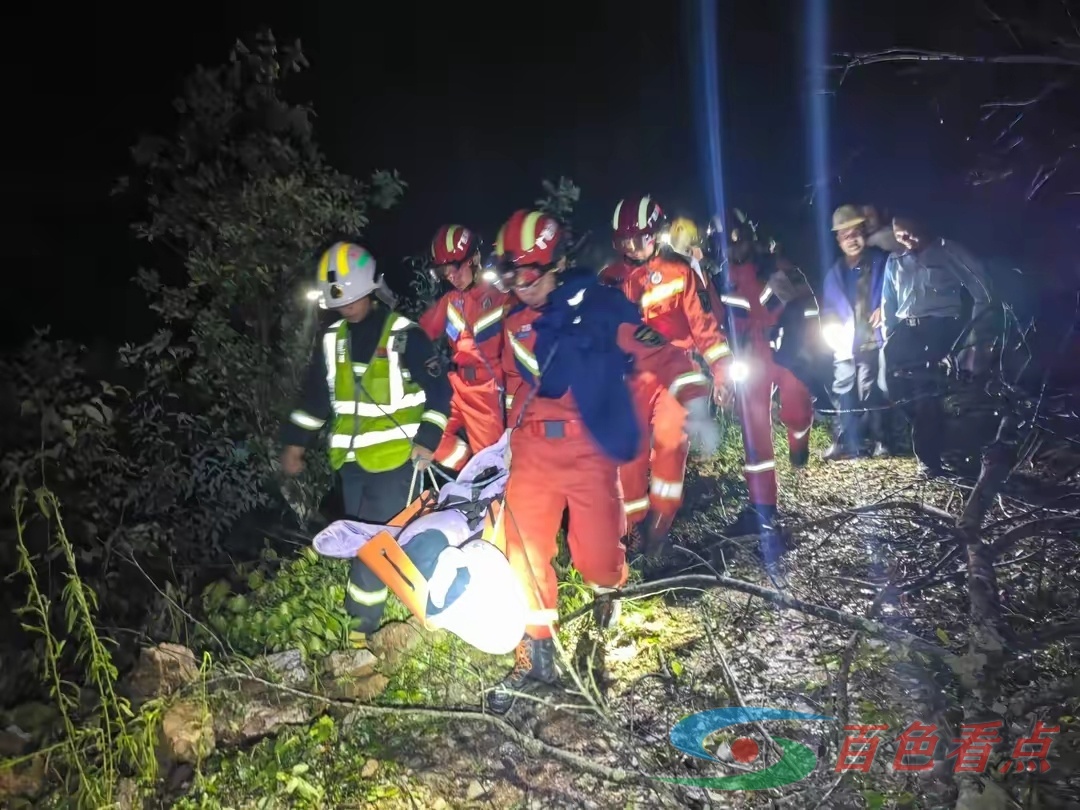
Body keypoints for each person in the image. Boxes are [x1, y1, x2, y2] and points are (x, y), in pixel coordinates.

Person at [487, 209, 719, 714]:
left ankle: (603, 609)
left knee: (596, 554)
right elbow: (502, 390)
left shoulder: (598, 307)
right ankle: (539, 656)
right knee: (525, 557)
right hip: (530, 454)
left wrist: (696, 400)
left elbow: (661, 353)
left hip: (588, 450)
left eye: (529, 274)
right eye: (511, 275)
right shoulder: (512, 323)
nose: (521, 286)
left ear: (556, 264)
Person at [280, 241, 452, 648]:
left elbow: (439, 393)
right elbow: (316, 399)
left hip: (397, 461)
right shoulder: (332, 340)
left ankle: (361, 628)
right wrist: (294, 443)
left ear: (371, 289)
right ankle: (420, 599)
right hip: (351, 464)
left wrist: (428, 440)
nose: (347, 306)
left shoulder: (404, 336)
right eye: (339, 299)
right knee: (375, 545)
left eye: (354, 296)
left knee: (371, 547)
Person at [600, 195, 732, 552]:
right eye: (623, 240)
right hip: (629, 379)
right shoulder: (609, 279)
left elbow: (706, 328)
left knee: (671, 445)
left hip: (675, 372)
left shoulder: (680, 272)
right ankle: (629, 534)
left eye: (637, 237)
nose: (630, 246)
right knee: (629, 457)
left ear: (655, 233)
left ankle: (659, 529)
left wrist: (721, 371)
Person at [710, 208, 815, 543]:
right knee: (754, 433)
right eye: (724, 241)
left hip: (785, 353)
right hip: (750, 359)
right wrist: (723, 375)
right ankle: (763, 508)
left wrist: (807, 344)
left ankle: (799, 440)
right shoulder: (719, 281)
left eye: (736, 238)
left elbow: (809, 306)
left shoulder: (777, 266)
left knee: (796, 409)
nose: (731, 247)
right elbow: (715, 328)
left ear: (749, 235)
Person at [882, 216, 995, 475]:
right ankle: (934, 442)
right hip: (904, 332)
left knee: (928, 392)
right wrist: (888, 337)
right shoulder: (895, 261)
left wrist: (975, 335)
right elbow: (888, 301)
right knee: (896, 391)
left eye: (910, 234)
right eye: (900, 236)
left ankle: (930, 458)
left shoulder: (948, 252)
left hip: (939, 329)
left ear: (923, 225)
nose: (906, 240)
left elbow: (982, 291)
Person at [418, 224, 509, 471]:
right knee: (428, 437)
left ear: (475, 259)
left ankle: (486, 485)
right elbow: (420, 333)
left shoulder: (501, 298)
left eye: (455, 268)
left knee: (492, 464)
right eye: (445, 272)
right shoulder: (451, 301)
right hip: (455, 385)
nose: (451, 276)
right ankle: (469, 470)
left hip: (487, 393)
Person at [820, 204, 892, 460]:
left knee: (871, 390)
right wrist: (829, 325)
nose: (852, 239)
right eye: (845, 234)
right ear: (838, 240)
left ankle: (882, 440)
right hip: (845, 343)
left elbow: (895, 289)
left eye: (856, 232)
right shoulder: (835, 274)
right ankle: (846, 442)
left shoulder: (882, 262)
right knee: (844, 391)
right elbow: (828, 308)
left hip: (873, 340)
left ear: (864, 231)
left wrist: (885, 309)